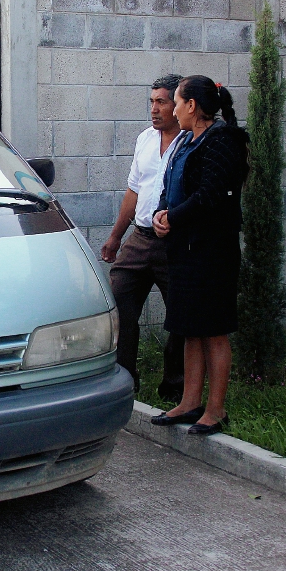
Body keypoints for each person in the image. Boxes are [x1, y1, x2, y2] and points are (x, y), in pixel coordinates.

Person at [149, 76, 248, 435]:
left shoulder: (221, 141)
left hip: (211, 253)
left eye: (176, 102)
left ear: (191, 106)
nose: (173, 109)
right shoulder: (184, 142)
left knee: (213, 332)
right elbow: (169, 185)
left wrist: (172, 217)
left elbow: (209, 195)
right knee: (190, 330)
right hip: (184, 250)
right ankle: (190, 403)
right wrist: (162, 213)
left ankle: (216, 410)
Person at [101, 75, 187, 398]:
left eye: (162, 102)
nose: (154, 109)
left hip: (174, 243)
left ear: (178, 105)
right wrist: (115, 238)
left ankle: (174, 385)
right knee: (118, 296)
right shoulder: (144, 140)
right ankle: (125, 379)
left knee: (180, 314)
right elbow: (133, 191)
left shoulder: (189, 142)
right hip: (139, 238)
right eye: (151, 101)